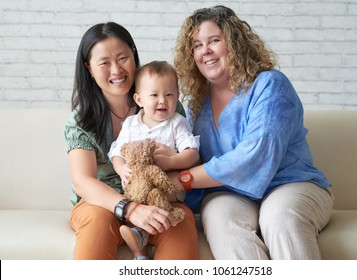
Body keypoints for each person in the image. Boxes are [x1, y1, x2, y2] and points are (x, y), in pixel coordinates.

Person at [169, 5, 334, 260]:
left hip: (291, 184)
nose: (206, 51)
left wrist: (184, 179)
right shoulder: (196, 104)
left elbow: (253, 156)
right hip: (231, 193)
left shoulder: (270, 85)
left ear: (235, 44)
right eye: (197, 45)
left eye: (214, 40)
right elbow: (189, 153)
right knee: (218, 217)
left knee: (279, 216)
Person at [64, 22, 198, 260]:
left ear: (134, 56)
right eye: (104, 63)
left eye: (123, 58)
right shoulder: (81, 120)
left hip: (158, 194)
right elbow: (83, 181)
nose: (116, 70)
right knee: (97, 220)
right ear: (89, 69)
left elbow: (187, 159)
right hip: (99, 203)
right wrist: (130, 208)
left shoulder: (165, 104)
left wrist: (171, 165)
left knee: (181, 221)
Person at [108, 60, 200, 259]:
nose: (162, 101)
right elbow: (117, 152)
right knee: (136, 206)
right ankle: (139, 252)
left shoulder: (177, 122)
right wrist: (122, 169)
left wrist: (171, 161)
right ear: (139, 99)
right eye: (154, 95)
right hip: (138, 189)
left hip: (167, 189)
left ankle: (145, 233)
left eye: (169, 95)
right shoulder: (131, 124)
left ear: (177, 96)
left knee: (162, 206)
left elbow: (192, 153)